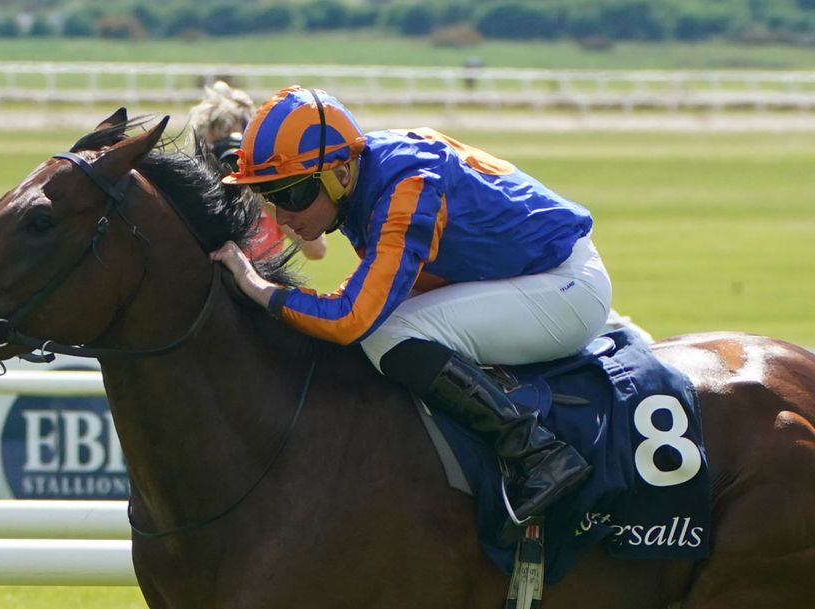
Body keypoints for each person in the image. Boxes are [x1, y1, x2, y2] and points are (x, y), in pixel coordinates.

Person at [210, 85, 608, 522]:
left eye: (291, 195)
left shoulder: (406, 186)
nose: (281, 215)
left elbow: (351, 317)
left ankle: (536, 451)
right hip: (524, 274)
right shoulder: (364, 175)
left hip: (564, 288)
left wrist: (260, 288)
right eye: (269, 196)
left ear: (340, 174)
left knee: (386, 334)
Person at [184, 81, 327, 263]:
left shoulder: (271, 188)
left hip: (266, 288)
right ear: (204, 151)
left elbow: (317, 250)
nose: (231, 161)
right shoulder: (194, 196)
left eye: (238, 149)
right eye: (221, 149)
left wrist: (260, 191)